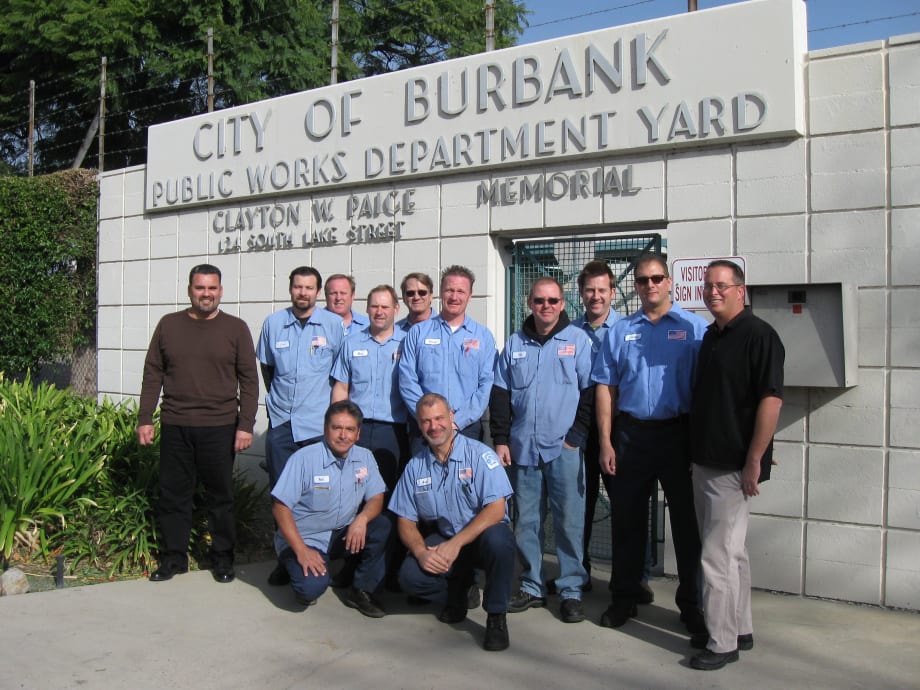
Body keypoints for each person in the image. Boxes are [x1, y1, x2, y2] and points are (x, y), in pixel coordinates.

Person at [591, 254, 708, 635]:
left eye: (656, 278)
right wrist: (606, 442)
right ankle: (624, 597)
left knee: (687, 526)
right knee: (627, 522)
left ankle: (691, 604)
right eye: (642, 280)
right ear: (636, 286)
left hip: (679, 435)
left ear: (670, 281)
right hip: (632, 435)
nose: (650, 285)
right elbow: (605, 388)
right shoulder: (621, 331)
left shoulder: (695, 329)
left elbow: (708, 392)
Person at [688, 260, 784, 671]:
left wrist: (754, 460)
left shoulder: (760, 336)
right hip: (705, 462)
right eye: (709, 286)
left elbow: (771, 400)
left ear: (740, 290)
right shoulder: (712, 336)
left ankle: (721, 641)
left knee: (716, 558)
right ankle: (739, 628)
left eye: (722, 286)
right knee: (733, 553)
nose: (713, 292)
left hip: (732, 466)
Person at [138, 263, 258, 584]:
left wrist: (245, 424)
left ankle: (222, 559)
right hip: (176, 424)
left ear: (221, 290)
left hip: (219, 427)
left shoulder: (236, 328)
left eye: (212, 288)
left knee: (220, 497)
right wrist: (145, 418)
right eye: (200, 288)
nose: (206, 294)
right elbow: (153, 374)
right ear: (189, 289)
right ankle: (173, 558)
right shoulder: (169, 325)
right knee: (173, 495)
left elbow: (249, 380)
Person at [490, 277, 594, 623]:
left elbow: (590, 393)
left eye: (552, 301)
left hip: (562, 448)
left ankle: (570, 589)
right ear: (529, 303)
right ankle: (532, 585)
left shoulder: (578, 341)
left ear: (563, 304)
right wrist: (501, 439)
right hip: (522, 448)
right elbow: (500, 394)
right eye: (539, 301)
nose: (545, 306)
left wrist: (575, 437)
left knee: (568, 521)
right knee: (527, 521)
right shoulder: (514, 344)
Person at [389, 393, 515, 652]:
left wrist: (456, 544)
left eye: (439, 418)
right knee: (410, 577)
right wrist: (421, 552)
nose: (434, 426)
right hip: (447, 539)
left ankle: (496, 617)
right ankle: (458, 591)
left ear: (452, 418)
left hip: (480, 539)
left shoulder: (479, 455)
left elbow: (495, 509)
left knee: (500, 542)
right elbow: (405, 520)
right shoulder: (416, 467)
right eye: (426, 421)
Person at [257, 266, 345, 586]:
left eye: (309, 287)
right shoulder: (273, 324)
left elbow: (340, 376)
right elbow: (268, 371)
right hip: (282, 424)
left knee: (315, 495)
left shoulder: (334, 326)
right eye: (298, 287)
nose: (302, 293)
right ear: (290, 288)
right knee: (282, 496)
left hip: (316, 428)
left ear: (317, 292)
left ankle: (315, 554)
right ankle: (286, 557)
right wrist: (281, 407)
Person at [271, 400, 392, 617]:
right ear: (326, 429)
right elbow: (280, 507)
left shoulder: (365, 457)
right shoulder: (304, 459)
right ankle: (292, 563)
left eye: (350, 429)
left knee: (382, 524)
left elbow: (376, 496)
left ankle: (361, 590)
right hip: (305, 538)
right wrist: (302, 550)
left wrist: (362, 519)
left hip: (341, 534)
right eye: (337, 428)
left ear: (358, 433)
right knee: (310, 590)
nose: (343, 435)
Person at [398, 265, 496, 445]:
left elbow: (486, 384)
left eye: (461, 291)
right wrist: (428, 417)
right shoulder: (418, 333)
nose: (454, 296)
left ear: (470, 296)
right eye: (449, 290)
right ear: (441, 293)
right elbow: (407, 379)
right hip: (424, 430)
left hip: (467, 428)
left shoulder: (484, 337)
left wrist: (458, 420)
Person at [331, 285, 409, 490]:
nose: (379, 311)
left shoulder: (407, 343)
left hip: (394, 430)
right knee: (352, 485)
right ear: (367, 309)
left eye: (385, 306)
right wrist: (338, 425)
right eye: (374, 306)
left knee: (388, 487)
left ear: (396, 308)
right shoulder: (352, 343)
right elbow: (341, 388)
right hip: (358, 428)